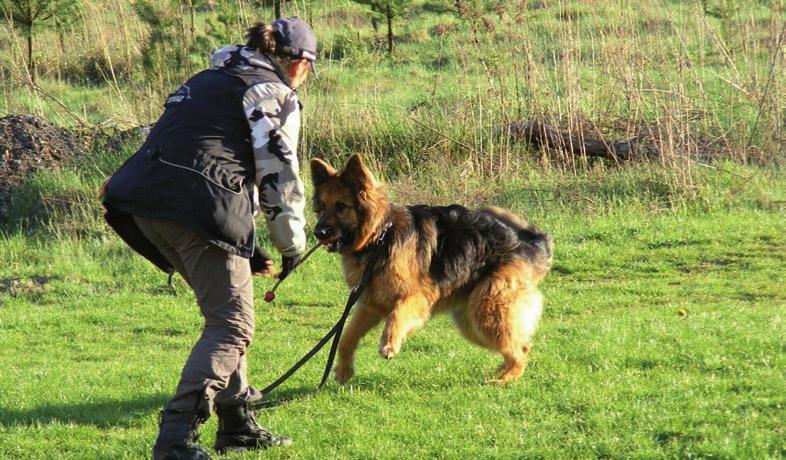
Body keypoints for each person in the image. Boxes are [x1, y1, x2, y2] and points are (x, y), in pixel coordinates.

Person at [101, 17, 316, 460]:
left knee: (225, 314)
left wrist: (248, 246)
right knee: (232, 325)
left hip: (142, 200)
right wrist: (291, 246)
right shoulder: (272, 92)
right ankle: (176, 439)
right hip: (196, 207)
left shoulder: (211, 78)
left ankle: (237, 424)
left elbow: (204, 147)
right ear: (298, 63)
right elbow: (278, 177)